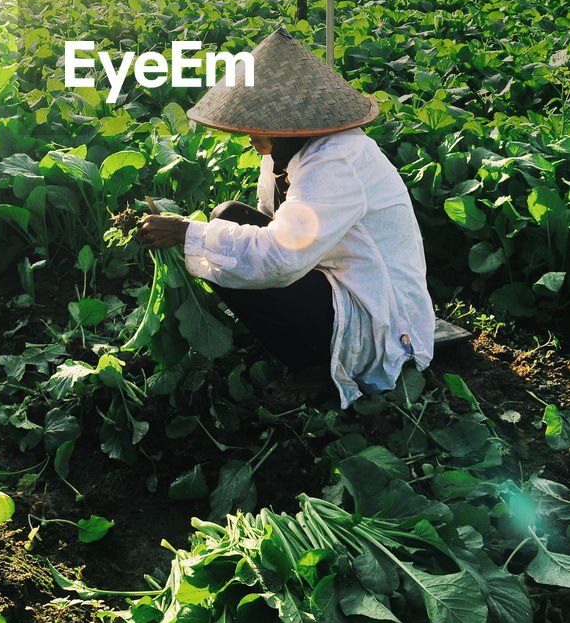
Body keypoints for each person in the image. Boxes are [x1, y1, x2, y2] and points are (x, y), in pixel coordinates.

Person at [137, 28, 434, 407]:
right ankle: (302, 341)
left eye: (258, 131)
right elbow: (273, 222)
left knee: (227, 245)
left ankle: (314, 366)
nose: (251, 140)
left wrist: (186, 233)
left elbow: (279, 260)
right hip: (328, 269)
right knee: (227, 217)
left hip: (373, 304)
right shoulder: (286, 151)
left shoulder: (336, 160)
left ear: (292, 126)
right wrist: (202, 233)